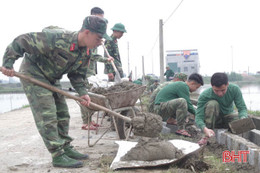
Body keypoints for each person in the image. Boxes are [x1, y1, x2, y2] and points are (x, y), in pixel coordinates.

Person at [1, 16, 110, 168]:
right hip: (33, 74)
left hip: (52, 78)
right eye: (98, 38)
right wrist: (8, 62)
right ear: (87, 32)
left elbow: (77, 75)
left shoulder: (86, 52)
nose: (100, 42)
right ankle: (57, 154)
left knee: (63, 113)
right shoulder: (57, 39)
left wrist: (82, 92)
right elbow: (21, 41)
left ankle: (65, 147)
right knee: (48, 114)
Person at [80, 7, 114, 131]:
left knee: (91, 94)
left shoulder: (97, 34)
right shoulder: (88, 33)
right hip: (84, 69)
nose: (102, 21)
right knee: (85, 94)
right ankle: (86, 122)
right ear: (93, 16)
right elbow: (90, 55)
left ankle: (89, 119)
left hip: (91, 70)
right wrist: (105, 59)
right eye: (100, 18)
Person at [195, 72, 248, 145]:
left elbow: (242, 108)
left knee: (240, 119)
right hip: (213, 120)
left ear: (227, 84)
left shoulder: (234, 89)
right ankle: (206, 137)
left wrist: (243, 117)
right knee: (212, 104)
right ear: (211, 86)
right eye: (216, 90)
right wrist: (204, 128)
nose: (220, 94)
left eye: (223, 90)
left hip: (227, 117)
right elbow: (199, 117)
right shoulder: (205, 95)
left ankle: (236, 138)